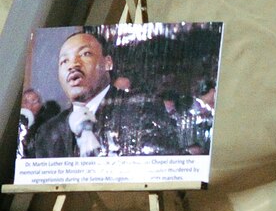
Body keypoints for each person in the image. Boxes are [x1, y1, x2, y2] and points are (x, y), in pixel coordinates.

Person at [19, 29, 179, 159]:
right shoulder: (48, 132)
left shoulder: (140, 109)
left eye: (85, 54)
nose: (73, 65)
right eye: (64, 61)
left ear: (108, 62)